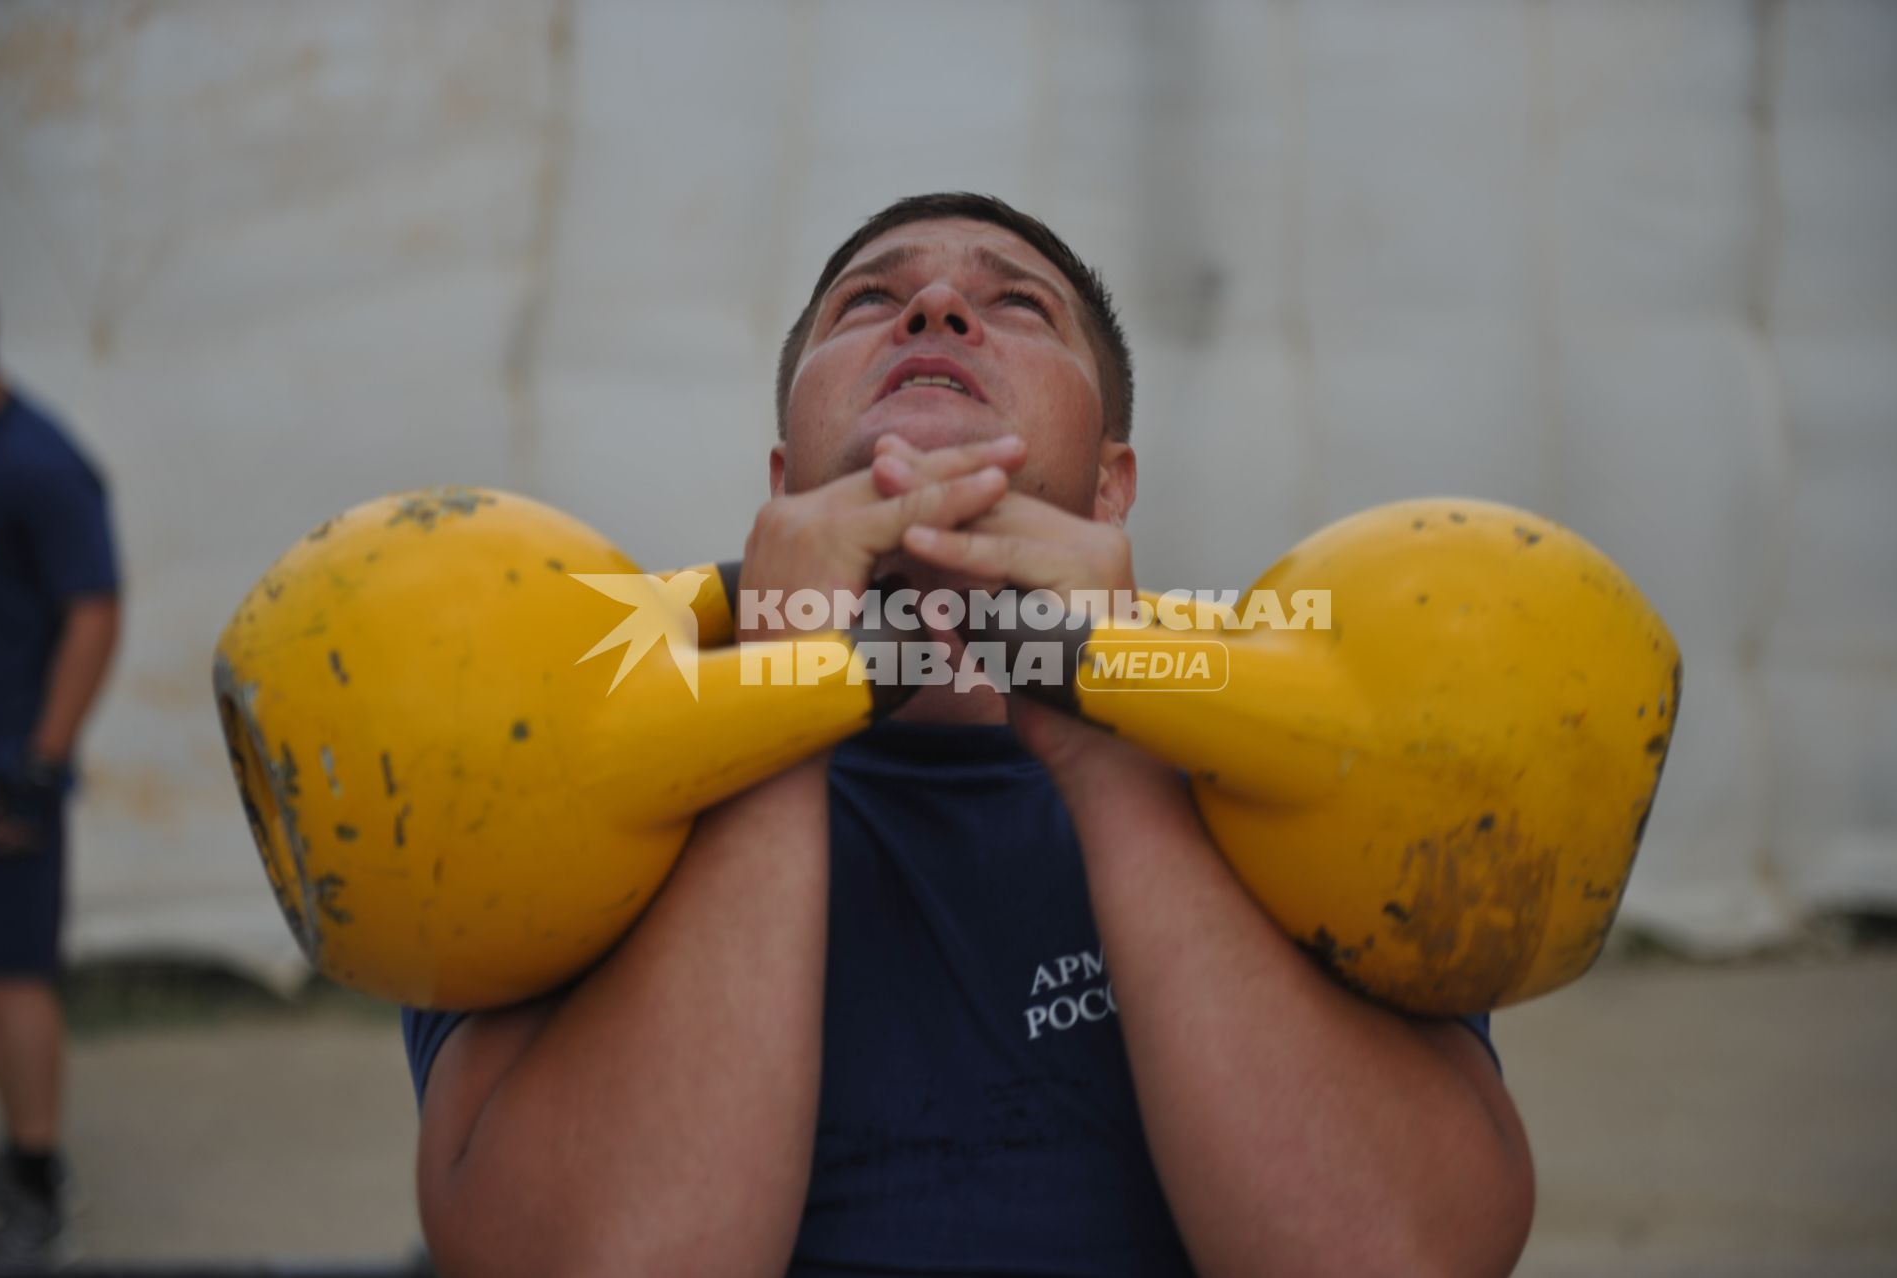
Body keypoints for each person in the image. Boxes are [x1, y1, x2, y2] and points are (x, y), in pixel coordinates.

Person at [403, 193, 1536, 1276]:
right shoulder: (546, 753)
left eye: (1017, 306)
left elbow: (1396, 1260)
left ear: (1109, 489)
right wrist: (787, 699)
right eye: (868, 301)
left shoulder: (1306, 760)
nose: (935, 310)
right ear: (783, 479)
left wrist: (1108, 734)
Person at [0, 287, 123, 1262]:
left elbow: (95, 610)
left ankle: (34, 1177)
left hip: (4, 775)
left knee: (13, 975)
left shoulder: (41, 464)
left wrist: (42, 760)